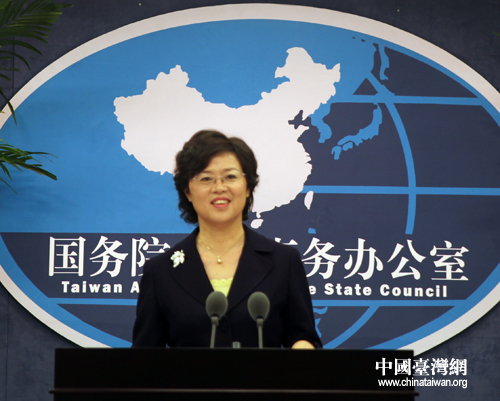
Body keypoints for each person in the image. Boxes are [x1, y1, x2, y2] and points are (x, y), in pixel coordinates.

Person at [132, 130, 321, 348]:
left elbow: (304, 336)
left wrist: (302, 347)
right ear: (188, 192)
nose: (219, 187)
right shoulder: (160, 271)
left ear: (248, 186)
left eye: (230, 177)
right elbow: (144, 354)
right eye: (206, 178)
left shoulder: (284, 261)